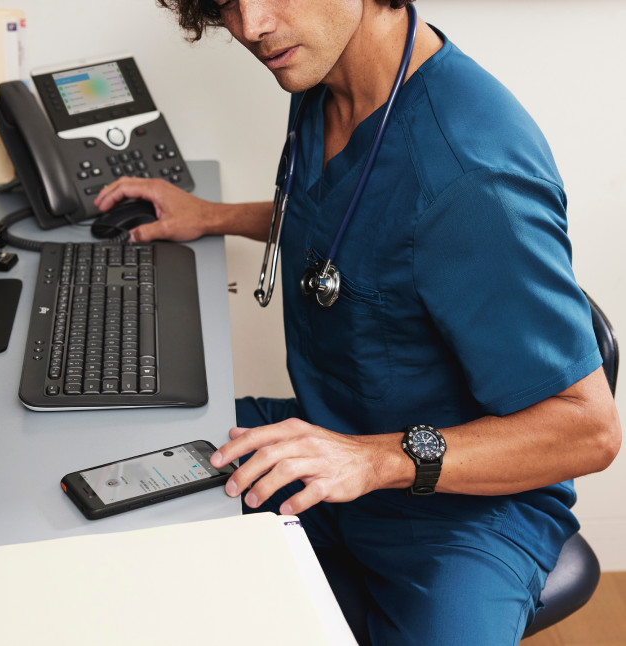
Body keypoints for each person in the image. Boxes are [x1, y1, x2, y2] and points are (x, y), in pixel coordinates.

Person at [94, 1, 622, 644]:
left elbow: (588, 430)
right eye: (227, 2)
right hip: (332, 440)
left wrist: (375, 460)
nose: (250, 26)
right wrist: (212, 215)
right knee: (108, 457)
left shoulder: (472, 172)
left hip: (464, 511)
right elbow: (353, 228)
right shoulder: (326, 80)